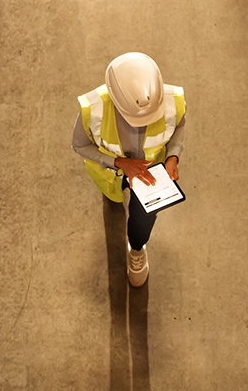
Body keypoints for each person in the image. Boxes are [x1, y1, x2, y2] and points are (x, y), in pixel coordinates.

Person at [72, 52, 187, 287]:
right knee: (113, 199)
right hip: (110, 173)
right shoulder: (93, 109)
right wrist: (119, 163)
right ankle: (115, 194)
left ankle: (136, 248)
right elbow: (80, 145)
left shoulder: (172, 100)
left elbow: (179, 126)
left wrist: (173, 156)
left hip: (149, 175)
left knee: (144, 216)